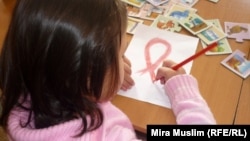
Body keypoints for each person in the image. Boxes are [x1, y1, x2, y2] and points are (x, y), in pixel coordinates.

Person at [0, 0, 216, 140]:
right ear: (85, 73)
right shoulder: (112, 135)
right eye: (120, 53)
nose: (124, 59)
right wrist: (184, 91)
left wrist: (102, 74)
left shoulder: (24, 98)